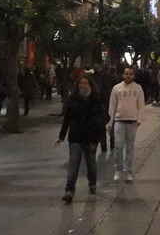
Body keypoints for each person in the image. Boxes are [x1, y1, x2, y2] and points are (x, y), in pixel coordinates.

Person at [56, 74, 105, 202]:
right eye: (81, 83)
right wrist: (61, 136)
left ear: (90, 85)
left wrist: (98, 132)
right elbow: (67, 119)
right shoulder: (73, 99)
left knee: (91, 163)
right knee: (73, 164)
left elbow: (103, 117)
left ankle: (92, 184)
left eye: (85, 83)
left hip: (90, 137)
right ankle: (69, 190)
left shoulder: (95, 99)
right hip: (76, 136)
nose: (83, 86)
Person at [108, 65, 146, 182]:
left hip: (132, 122)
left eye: (130, 74)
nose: (128, 76)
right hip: (119, 121)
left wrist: (139, 120)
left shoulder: (138, 88)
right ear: (123, 75)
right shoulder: (116, 88)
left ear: (133, 75)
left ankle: (128, 171)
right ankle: (118, 169)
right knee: (118, 146)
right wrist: (110, 122)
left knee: (130, 148)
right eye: (126, 73)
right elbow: (112, 105)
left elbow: (141, 105)